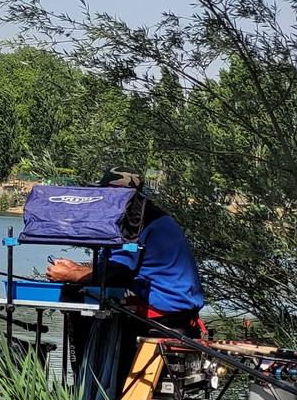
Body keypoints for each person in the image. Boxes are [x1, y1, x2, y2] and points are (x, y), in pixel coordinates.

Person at [46, 166, 205, 388]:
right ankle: (91, 393)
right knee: (89, 299)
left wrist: (71, 276)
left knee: (87, 316)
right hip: (173, 306)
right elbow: (117, 266)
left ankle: (92, 394)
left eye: (105, 195)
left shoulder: (135, 223)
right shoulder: (144, 214)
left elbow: (116, 275)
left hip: (164, 312)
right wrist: (76, 269)